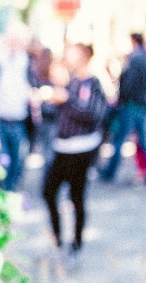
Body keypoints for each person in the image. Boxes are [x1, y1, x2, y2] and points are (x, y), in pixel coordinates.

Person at [42, 44, 109, 254]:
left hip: (81, 148)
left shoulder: (93, 83)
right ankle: (58, 237)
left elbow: (95, 114)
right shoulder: (69, 81)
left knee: (76, 196)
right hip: (62, 146)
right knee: (49, 192)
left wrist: (66, 100)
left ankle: (76, 242)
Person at [100, 33, 146, 184]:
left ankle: (109, 172)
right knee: (144, 141)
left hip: (132, 104)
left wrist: (122, 98)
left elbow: (129, 83)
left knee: (121, 139)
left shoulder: (136, 58)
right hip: (143, 103)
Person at [0, 22, 32, 191]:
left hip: (18, 120)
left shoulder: (27, 61)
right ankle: (2, 193)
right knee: (2, 161)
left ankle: (10, 193)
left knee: (18, 161)